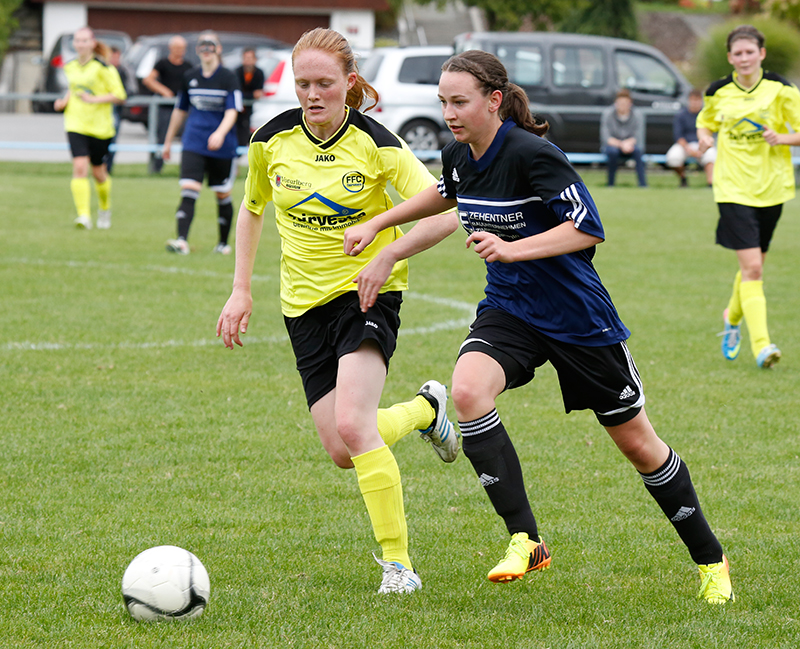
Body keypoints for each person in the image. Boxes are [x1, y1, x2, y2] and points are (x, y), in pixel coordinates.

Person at [343, 49, 734, 604]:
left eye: (459, 102)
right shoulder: (458, 155)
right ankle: (526, 540)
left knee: (640, 446)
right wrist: (383, 232)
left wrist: (512, 248)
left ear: (494, 100)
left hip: (578, 319)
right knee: (468, 390)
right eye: (443, 102)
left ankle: (711, 560)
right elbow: (444, 197)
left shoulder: (534, 154)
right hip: (511, 310)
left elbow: (588, 228)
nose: (449, 113)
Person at [216, 27, 460, 595]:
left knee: (354, 425)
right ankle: (426, 411)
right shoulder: (270, 140)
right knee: (343, 451)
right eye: (302, 83)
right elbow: (251, 209)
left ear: (349, 82)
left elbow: (446, 211)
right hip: (301, 304)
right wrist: (240, 289)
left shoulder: (377, 143)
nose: (312, 94)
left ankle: (399, 566)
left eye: (324, 83)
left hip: (367, 294)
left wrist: (388, 250)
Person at [698, 25, 800, 370]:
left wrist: (782, 138)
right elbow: (705, 122)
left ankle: (731, 316)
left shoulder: (782, 89)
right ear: (730, 57)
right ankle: (762, 346)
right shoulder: (717, 91)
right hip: (732, 188)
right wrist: (704, 137)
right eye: (738, 53)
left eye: (749, 52)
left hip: (772, 188)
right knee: (753, 267)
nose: (744, 58)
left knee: (753, 267)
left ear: (761, 54)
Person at [163, 32, 241, 255]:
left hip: (222, 147)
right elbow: (180, 111)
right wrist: (168, 141)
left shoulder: (228, 77)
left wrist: (220, 133)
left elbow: (232, 111)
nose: (207, 49)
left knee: (222, 194)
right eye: (202, 45)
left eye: (211, 45)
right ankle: (181, 241)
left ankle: (223, 244)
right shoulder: (190, 76)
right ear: (197, 50)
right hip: (194, 142)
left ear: (218, 49)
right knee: (189, 189)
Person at [54, 27, 127, 230]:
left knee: (98, 173)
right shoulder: (70, 66)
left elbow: (120, 95)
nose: (81, 44)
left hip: (100, 128)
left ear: (93, 43)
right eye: (78, 40)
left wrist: (93, 99)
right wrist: (63, 102)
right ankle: (83, 216)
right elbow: (73, 88)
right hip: (75, 123)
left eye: (85, 40)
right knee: (79, 167)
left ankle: (104, 209)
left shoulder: (103, 67)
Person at [142, 35, 192, 174]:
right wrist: (164, 91)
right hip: (165, 107)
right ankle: (156, 168)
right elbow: (148, 80)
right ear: (171, 48)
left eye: (182, 48)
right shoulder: (162, 64)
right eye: (177, 48)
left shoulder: (188, 66)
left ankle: (186, 168)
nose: (180, 51)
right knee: (161, 138)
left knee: (187, 137)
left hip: (183, 108)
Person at [666, 88, 715, 187]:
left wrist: (702, 147)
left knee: (711, 155)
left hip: (702, 143)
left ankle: (710, 183)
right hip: (686, 145)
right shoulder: (681, 115)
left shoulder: (706, 115)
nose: (695, 103)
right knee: (673, 157)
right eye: (693, 100)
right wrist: (688, 148)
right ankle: (683, 178)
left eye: (697, 100)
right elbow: (678, 136)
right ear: (689, 101)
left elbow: (711, 133)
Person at [600, 89, 647, 187]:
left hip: (630, 145)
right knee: (613, 152)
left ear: (630, 103)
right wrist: (621, 145)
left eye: (625, 103)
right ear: (616, 103)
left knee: (638, 151)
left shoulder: (637, 115)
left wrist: (628, 144)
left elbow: (638, 136)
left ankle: (643, 184)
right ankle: (610, 184)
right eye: (620, 103)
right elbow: (606, 137)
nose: (623, 105)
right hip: (613, 145)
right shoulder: (608, 114)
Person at [105, 46, 130, 174]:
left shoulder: (123, 71)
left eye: (117, 57)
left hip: (115, 111)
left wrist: (119, 98)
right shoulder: (102, 70)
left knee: (113, 141)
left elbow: (128, 91)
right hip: (101, 110)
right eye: (113, 57)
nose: (115, 60)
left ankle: (108, 169)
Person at [233, 48, 265, 149]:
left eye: (250, 58)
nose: (248, 61)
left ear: (255, 59)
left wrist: (249, 95)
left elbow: (259, 92)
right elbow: (237, 91)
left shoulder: (259, 73)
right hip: (237, 106)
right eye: (246, 58)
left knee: (247, 126)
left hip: (251, 106)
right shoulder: (237, 72)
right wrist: (251, 95)